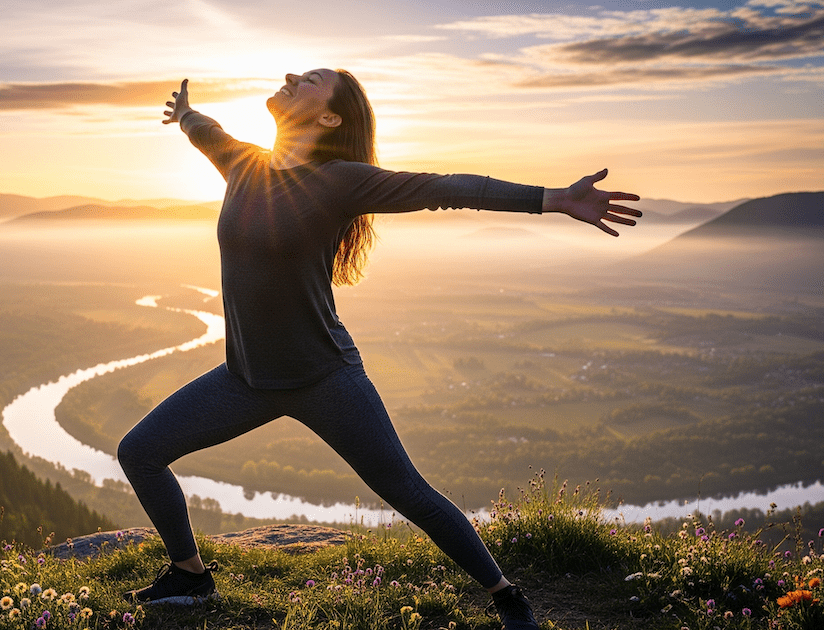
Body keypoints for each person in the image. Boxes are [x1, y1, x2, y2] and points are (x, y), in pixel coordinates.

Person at [117, 68, 641, 628]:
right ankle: (191, 576)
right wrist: (185, 114)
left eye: (310, 79)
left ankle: (507, 595)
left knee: (409, 493)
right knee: (139, 452)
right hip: (244, 379)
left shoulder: (339, 181)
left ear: (330, 117)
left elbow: (445, 188)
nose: (291, 75)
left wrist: (553, 199)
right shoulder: (244, 164)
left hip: (324, 380)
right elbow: (205, 130)